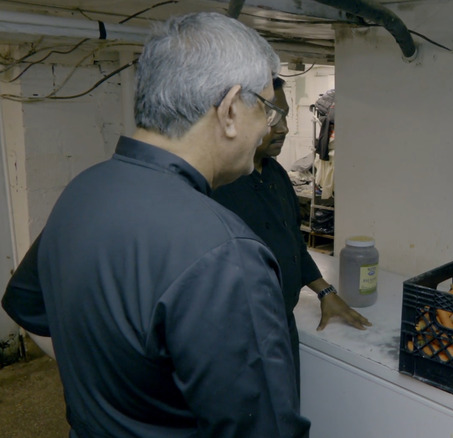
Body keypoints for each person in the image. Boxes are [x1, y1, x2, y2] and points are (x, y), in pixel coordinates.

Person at [1, 12, 310, 438]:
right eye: (268, 110)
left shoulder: (83, 190)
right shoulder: (226, 251)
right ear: (231, 110)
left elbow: (29, 308)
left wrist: (116, 391)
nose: (268, 130)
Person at [212, 77, 371, 392]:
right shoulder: (217, 185)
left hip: (281, 323)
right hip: (238, 337)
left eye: (284, 117)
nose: (283, 128)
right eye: (273, 117)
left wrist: (325, 292)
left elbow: (292, 244)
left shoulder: (275, 173)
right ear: (235, 117)